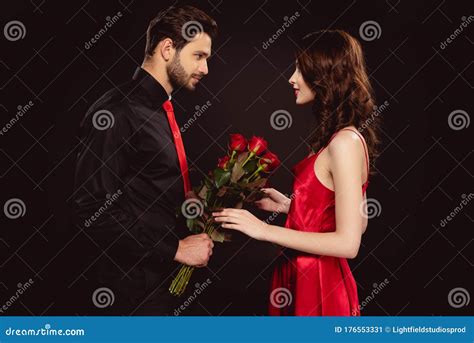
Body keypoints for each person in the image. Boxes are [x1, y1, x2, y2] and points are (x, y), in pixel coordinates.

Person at [213, 30, 381, 316]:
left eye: (301, 70)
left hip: (319, 285)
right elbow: (357, 219)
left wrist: (265, 230)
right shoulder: (341, 138)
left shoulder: (345, 143)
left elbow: (349, 242)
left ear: (325, 75)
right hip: (300, 275)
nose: (292, 78)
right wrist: (293, 207)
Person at [71, 5, 217, 315]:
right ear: (167, 49)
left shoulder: (162, 110)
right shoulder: (116, 111)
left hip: (161, 286)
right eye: (198, 56)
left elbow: (145, 188)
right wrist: (175, 249)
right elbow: (90, 208)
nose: (205, 69)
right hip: (128, 294)